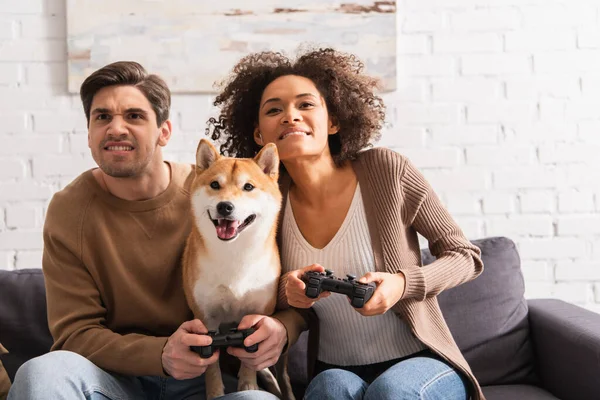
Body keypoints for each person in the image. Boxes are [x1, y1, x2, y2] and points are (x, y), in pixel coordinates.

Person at [207, 48, 486, 400]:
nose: (290, 116)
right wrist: (288, 292)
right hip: (334, 368)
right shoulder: (262, 204)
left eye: (305, 105)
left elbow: (465, 256)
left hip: (422, 361)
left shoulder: (386, 170)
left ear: (334, 122)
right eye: (274, 109)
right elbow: (265, 291)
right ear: (260, 136)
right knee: (326, 391)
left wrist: (401, 284)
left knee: (391, 391)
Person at [8, 61, 293, 400]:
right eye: (102, 117)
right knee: (41, 373)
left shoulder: (217, 195)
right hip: (113, 378)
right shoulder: (70, 210)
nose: (116, 129)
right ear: (88, 134)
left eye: (134, 116)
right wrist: (159, 355)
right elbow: (73, 335)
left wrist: (283, 330)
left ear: (165, 132)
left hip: (205, 381)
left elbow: (286, 287)